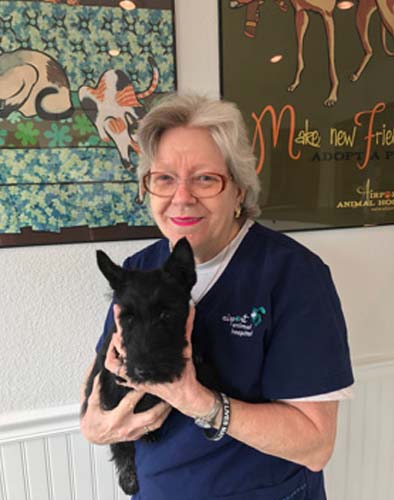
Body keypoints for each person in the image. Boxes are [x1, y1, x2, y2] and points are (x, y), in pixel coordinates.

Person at [80, 93, 354, 500]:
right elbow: (103, 368)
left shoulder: (293, 276)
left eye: (205, 178)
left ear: (239, 190)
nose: (182, 196)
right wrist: (93, 426)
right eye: (164, 178)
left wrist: (200, 402)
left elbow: (316, 445)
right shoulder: (138, 271)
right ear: (147, 189)